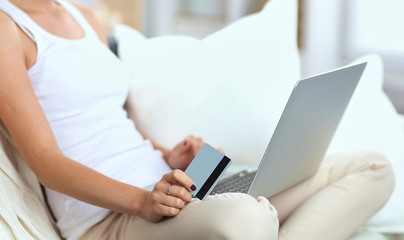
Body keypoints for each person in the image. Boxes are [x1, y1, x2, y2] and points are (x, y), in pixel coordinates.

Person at [0, 0, 395, 239]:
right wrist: (142, 201)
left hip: (174, 195)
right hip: (112, 220)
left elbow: (112, 120)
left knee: (375, 168)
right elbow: (46, 162)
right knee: (247, 218)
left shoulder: (86, 19)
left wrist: (170, 158)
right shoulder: (8, 28)